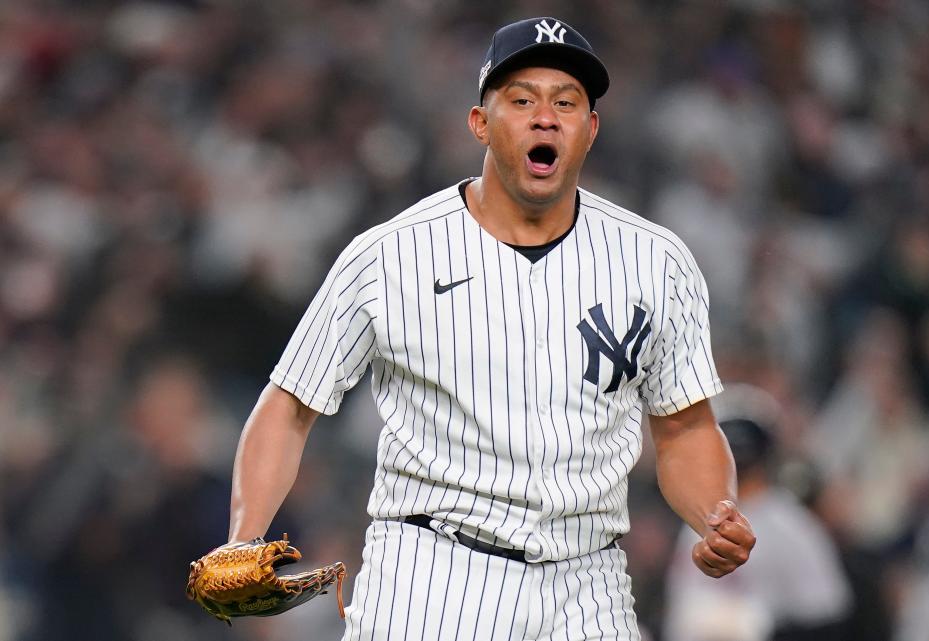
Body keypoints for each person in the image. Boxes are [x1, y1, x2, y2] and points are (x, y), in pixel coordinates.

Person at [224, 17, 755, 640]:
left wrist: (716, 517)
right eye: (523, 99)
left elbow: (685, 426)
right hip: (428, 578)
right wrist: (243, 539)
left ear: (591, 129)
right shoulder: (390, 255)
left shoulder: (656, 263)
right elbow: (290, 404)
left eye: (567, 102)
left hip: (588, 583)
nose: (546, 117)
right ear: (480, 122)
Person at [662, 385, 852, 641]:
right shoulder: (696, 521)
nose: (739, 447)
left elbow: (828, 614)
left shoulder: (790, 525)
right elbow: (681, 611)